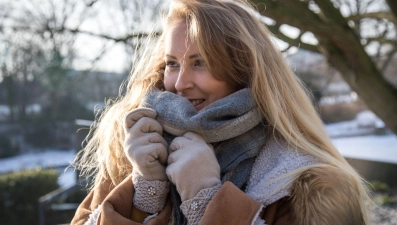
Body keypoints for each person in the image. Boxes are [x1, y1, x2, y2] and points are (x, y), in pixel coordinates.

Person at [71, 0, 371, 224]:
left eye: (200, 62)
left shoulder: (310, 186)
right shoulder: (134, 153)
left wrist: (207, 200)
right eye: (172, 63)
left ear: (245, 71)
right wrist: (144, 193)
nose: (179, 83)